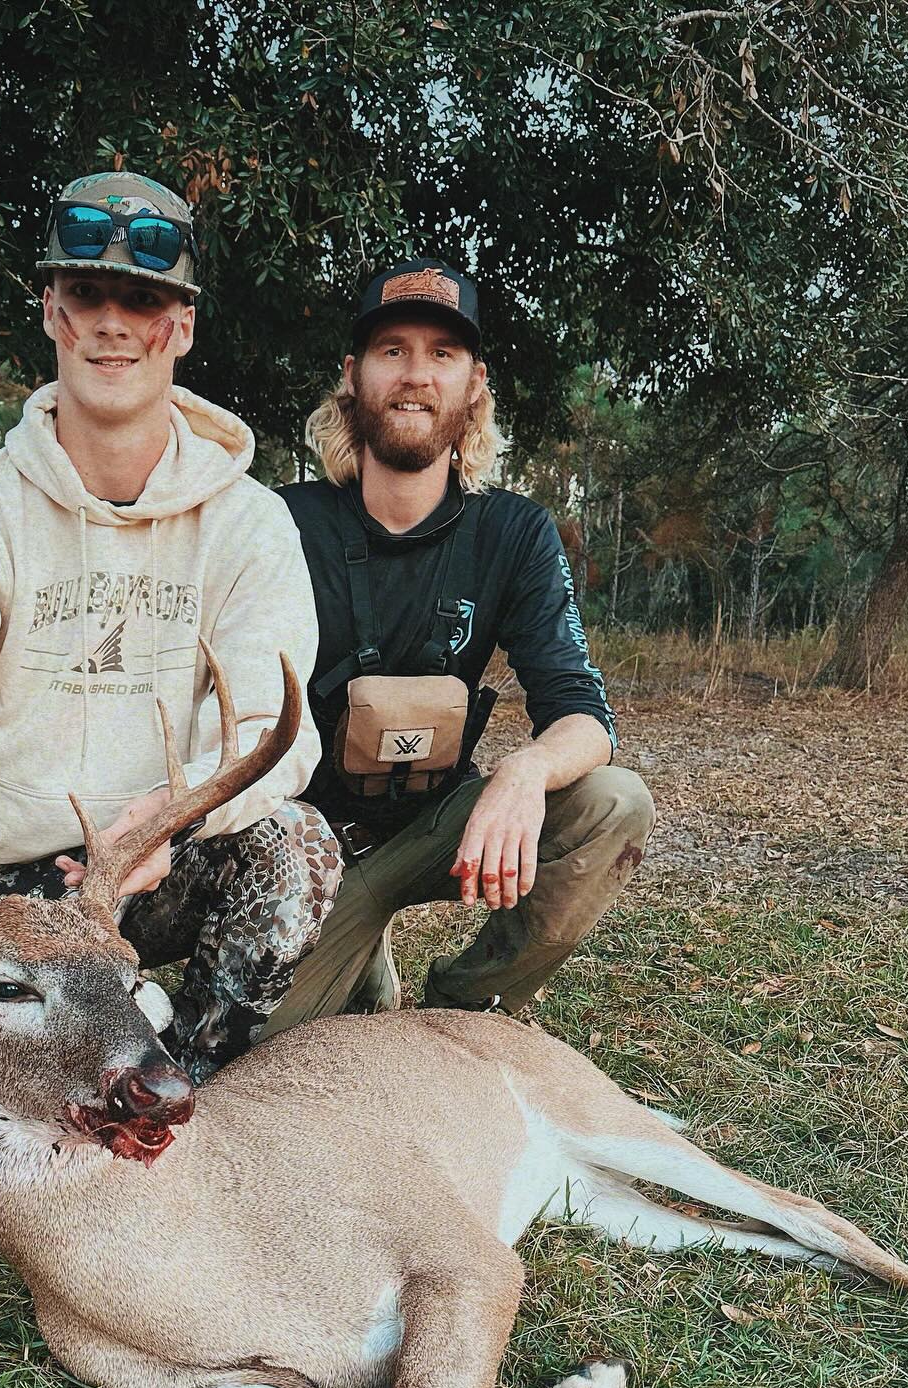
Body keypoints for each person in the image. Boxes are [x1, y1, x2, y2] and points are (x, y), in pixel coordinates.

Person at [0, 172, 340, 1193]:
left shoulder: (248, 524)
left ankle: (192, 1073)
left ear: (179, 327)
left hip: (156, 865)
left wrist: (169, 821)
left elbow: (271, 727)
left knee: (295, 845)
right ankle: (62, 1069)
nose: (113, 324)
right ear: (52, 313)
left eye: (142, 301)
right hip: (6, 898)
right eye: (88, 295)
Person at [264, 259, 653, 1034]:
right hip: (308, 848)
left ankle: (466, 1011)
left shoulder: (515, 531)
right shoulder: (279, 522)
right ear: (353, 376)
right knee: (258, 1054)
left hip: (439, 826)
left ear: (474, 384)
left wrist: (524, 771)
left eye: (441, 353)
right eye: (393, 350)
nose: (416, 374)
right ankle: (356, 963)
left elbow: (585, 715)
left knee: (613, 802)